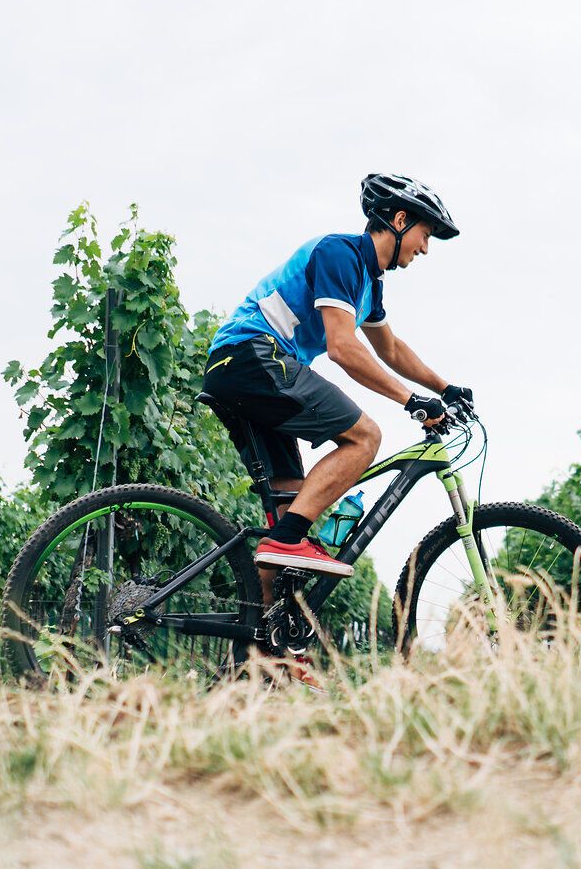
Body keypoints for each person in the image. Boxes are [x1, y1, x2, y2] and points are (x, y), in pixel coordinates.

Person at [201, 173, 472, 608]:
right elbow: (342, 347)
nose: (425, 248)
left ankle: (264, 638)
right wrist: (411, 401)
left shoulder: (369, 284)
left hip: (244, 371)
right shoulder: (340, 254)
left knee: (292, 507)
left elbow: (390, 348)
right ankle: (287, 542)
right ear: (400, 221)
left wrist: (446, 387)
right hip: (251, 356)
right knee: (365, 437)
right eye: (425, 234)